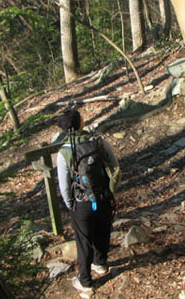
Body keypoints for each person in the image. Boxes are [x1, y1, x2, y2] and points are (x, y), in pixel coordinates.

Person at [56, 109, 121, 293]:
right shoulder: (98, 141)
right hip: (103, 197)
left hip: (81, 203)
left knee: (83, 242)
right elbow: (115, 168)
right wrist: (111, 192)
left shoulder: (64, 152)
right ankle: (100, 264)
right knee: (102, 230)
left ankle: (85, 281)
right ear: (80, 124)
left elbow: (64, 185)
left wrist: (71, 205)